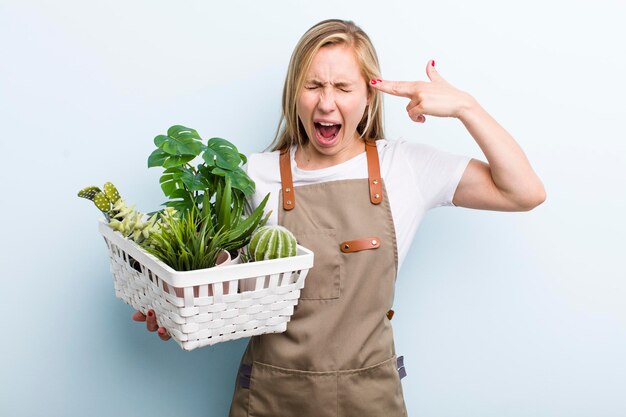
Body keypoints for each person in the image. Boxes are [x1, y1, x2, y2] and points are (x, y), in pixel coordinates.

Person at [134, 18, 546, 416]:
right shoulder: (252, 176)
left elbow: (524, 192)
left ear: (369, 97)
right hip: (271, 399)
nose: (326, 102)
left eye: (343, 88)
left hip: (369, 400)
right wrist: (176, 309)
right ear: (295, 93)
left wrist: (466, 108)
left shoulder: (403, 168)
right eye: (313, 85)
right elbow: (223, 284)